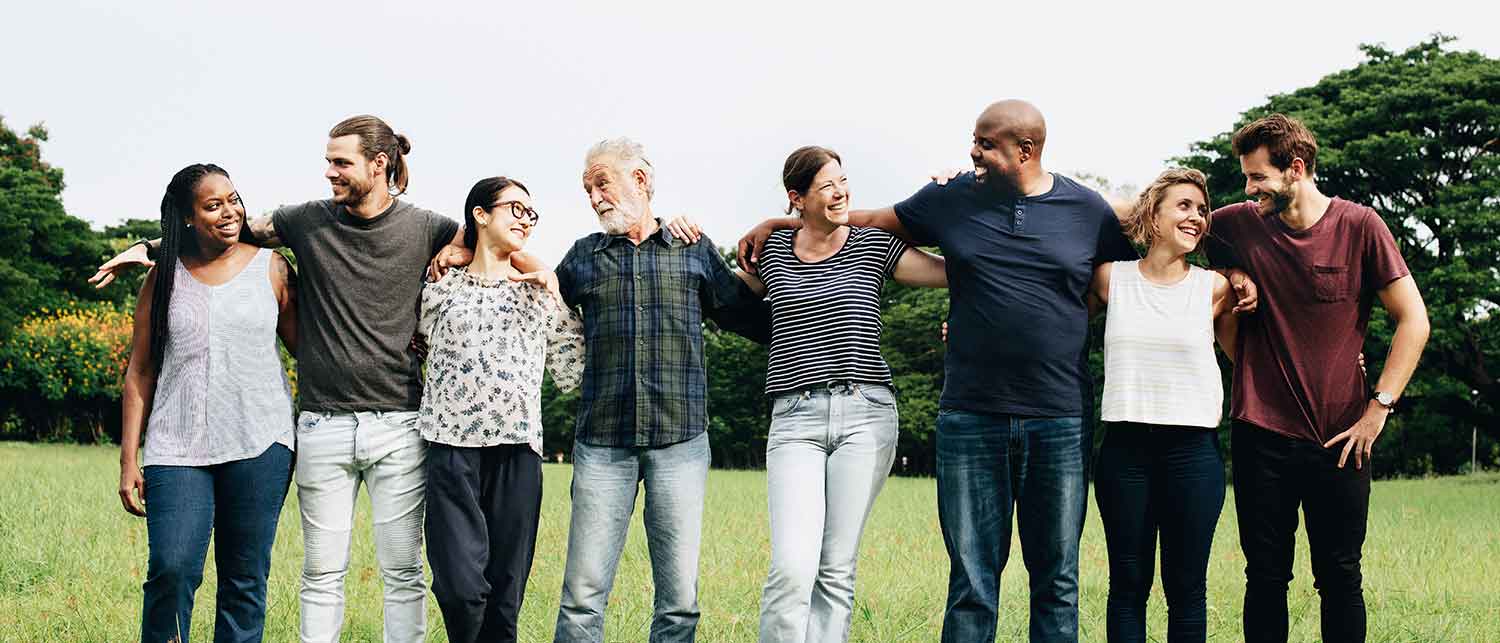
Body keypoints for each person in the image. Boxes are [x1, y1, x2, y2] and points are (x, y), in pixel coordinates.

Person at [739, 101, 1256, 643]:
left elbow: (1153, 257)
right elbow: (867, 218)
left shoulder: (1086, 210)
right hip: (969, 417)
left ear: (1025, 151)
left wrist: (1237, 274)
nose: (972, 151)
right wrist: (784, 219)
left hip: (1057, 418)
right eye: (974, 140)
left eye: (985, 143)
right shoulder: (950, 198)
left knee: (1056, 582)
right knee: (971, 585)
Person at [94, 115, 548, 643]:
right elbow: (218, 226)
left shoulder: (426, 226)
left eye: (340, 162)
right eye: (328, 161)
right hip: (321, 425)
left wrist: (504, 260)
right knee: (320, 574)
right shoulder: (305, 220)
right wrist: (148, 248)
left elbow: (496, 240)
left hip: (399, 423)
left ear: (379, 165)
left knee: (403, 572)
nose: (329, 172)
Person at [672, 145, 946, 643]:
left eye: (842, 180)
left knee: (836, 567)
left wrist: (965, 203)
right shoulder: (772, 250)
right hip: (795, 419)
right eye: (827, 186)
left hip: (867, 415)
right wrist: (683, 241)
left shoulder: (874, 243)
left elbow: (949, 272)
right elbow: (721, 293)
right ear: (797, 198)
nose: (840, 192)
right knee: (792, 567)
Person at [1206, 114, 1430, 643]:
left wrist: (1378, 409)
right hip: (1260, 433)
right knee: (1263, 578)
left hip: (1343, 437)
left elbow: (1414, 320)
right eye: (1246, 178)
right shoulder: (1233, 225)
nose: (1248, 189)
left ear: (1296, 169)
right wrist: (1231, 274)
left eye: (1258, 177)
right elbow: (1167, 227)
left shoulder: (1360, 226)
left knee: (1340, 577)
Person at [118, 163, 297, 642]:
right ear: (188, 218)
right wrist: (128, 459)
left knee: (244, 580)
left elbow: (311, 349)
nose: (229, 212)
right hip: (176, 446)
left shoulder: (273, 268)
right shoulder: (163, 279)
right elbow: (140, 371)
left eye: (234, 199)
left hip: (261, 440)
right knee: (171, 568)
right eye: (213, 205)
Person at [416, 176, 584, 643]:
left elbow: (574, 370)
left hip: (519, 451)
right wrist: (455, 251)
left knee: (505, 594)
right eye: (515, 208)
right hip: (451, 450)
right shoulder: (439, 285)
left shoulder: (541, 292)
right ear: (480, 214)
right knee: (460, 590)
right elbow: (415, 347)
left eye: (531, 214)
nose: (525, 220)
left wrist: (548, 278)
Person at [1087, 168, 1236, 643]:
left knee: (1186, 588)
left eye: (1202, 209)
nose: (1197, 217)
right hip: (1124, 450)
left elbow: (1250, 357)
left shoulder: (1215, 288)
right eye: (1184, 206)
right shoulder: (1111, 279)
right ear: (1152, 214)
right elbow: (1048, 323)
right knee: (1127, 585)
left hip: (1193, 453)